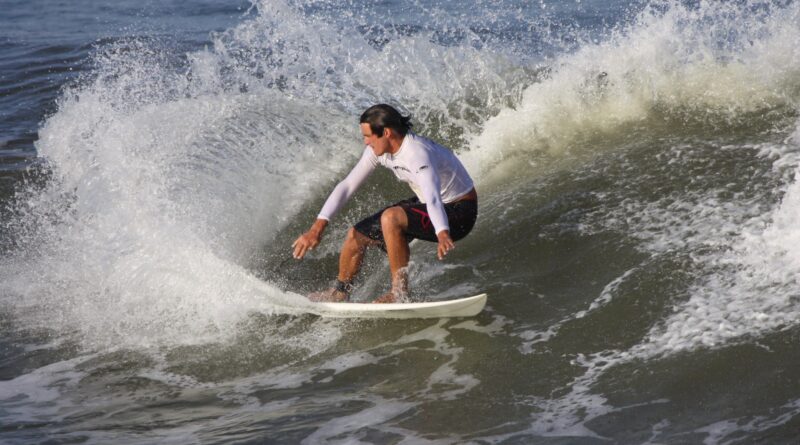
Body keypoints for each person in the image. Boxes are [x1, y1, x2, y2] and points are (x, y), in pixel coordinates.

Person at [292, 104, 478, 303]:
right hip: (430, 203)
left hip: (458, 212)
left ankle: (399, 293)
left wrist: (442, 232)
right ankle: (340, 292)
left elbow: (433, 197)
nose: (365, 142)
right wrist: (317, 228)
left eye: (367, 136)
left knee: (391, 217)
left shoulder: (417, 153)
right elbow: (347, 185)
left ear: (386, 132)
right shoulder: (379, 151)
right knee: (356, 235)